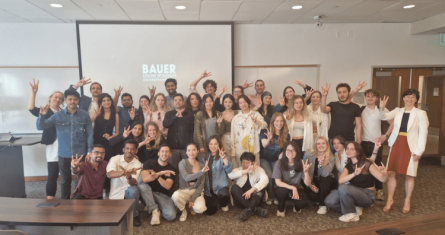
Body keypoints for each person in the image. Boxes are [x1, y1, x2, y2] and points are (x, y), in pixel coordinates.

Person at [379, 89, 429, 214]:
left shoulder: (421, 113)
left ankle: (407, 200)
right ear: (403, 98)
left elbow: (423, 134)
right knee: (390, 173)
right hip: (396, 144)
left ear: (416, 99)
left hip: (411, 146)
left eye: (412, 97)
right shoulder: (398, 110)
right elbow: (384, 117)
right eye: (407, 96)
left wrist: (419, 151)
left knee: (409, 174)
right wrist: (382, 108)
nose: (409, 99)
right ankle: (390, 199)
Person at [38, 89, 93, 199]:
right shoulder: (58, 115)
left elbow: (90, 134)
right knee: (65, 180)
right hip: (64, 153)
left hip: (80, 153)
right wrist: (42, 115)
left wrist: (89, 151)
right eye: (70, 99)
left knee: (80, 179)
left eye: (75, 99)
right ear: (66, 101)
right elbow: (41, 127)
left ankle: (79, 201)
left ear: (78, 101)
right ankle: (65, 203)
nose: (72, 101)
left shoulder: (84, 115)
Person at [328, 142, 388, 222]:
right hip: (353, 191)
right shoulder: (348, 166)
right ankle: (354, 207)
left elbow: (383, 179)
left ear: (358, 152)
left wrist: (384, 174)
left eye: (352, 149)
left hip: (367, 195)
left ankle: (351, 214)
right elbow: (341, 180)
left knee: (343, 188)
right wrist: (354, 174)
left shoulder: (366, 163)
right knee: (329, 201)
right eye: (347, 149)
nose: (348, 151)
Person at [28, 78, 64, 199]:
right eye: (55, 97)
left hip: (66, 146)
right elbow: (32, 109)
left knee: (66, 174)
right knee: (53, 174)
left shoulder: (64, 112)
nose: (58, 99)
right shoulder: (45, 110)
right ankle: (50, 198)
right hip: (53, 145)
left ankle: (67, 197)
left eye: (60, 98)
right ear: (50, 98)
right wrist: (34, 92)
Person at [360, 89, 394, 201]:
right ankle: (368, 188)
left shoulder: (381, 110)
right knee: (366, 166)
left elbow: (393, 123)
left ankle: (379, 189)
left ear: (376, 98)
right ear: (365, 97)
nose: (370, 98)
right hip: (364, 143)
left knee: (378, 166)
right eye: (368, 96)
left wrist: (386, 135)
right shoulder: (361, 109)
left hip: (377, 143)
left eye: (372, 96)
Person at [107, 139, 143, 227]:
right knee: (115, 220)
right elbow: (110, 174)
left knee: (134, 189)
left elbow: (132, 182)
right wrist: (123, 173)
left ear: (136, 151)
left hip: (128, 192)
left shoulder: (138, 164)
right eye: (127, 148)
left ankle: (134, 215)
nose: (129, 151)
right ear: (123, 150)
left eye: (132, 149)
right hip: (116, 193)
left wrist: (128, 176)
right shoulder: (115, 159)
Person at [139, 144, 177, 225]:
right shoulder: (149, 163)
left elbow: (167, 186)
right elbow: (145, 179)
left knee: (171, 216)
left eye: (167, 152)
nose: (164, 153)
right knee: (142, 186)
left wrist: (157, 176)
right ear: (158, 153)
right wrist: (160, 173)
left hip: (162, 195)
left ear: (170, 154)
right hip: (148, 193)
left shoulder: (171, 169)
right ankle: (154, 210)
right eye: (162, 151)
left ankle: (154, 206)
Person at [273, 141, 312, 217]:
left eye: (293, 150)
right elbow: (278, 182)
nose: (290, 152)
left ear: (297, 152)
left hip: (297, 188)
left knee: (303, 203)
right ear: (284, 151)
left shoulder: (301, 163)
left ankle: (296, 205)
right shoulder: (279, 163)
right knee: (282, 192)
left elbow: (307, 183)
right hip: (283, 188)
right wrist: (293, 188)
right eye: (288, 150)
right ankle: (281, 207)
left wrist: (306, 172)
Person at [320, 83, 362, 152]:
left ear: (349, 93)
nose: (342, 94)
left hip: (348, 139)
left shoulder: (355, 107)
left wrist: (358, 140)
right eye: (339, 92)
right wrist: (324, 96)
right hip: (333, 140)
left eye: (344, 92)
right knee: (332, 161)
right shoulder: (333, 105)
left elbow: (359, 125)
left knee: (347, 161)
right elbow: (323, 110)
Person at [172, 143, 208, 222]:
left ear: (198, 151)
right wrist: (201, 172)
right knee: (175, 196)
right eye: (189, 150)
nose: (191, 152)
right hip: (184, 191)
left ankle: (192, 206)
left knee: (200, 209)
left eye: (194, 150)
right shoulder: (182, 163)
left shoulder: (201, 165)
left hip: (196, 191)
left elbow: (201, 184)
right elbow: (186, 178)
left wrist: (193, 199)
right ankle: (184, 210)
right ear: (186, 152)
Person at [228, 152, 269, 222]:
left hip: (255, 199)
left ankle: (249, 209)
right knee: (234, 188)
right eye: (243, 163)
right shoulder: (239, 170)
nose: (245, 165)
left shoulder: (259, 170)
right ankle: (254, 209)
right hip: (241, 201)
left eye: (247, 163)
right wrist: (246, 171)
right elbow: (230, 175)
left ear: (253, 162)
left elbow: (265, 179)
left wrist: (252, 190)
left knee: (261, 188)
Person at [260, 113, 290, 206]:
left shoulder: (286, 135)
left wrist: (281, 159)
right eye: (277, 121)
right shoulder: (265, 131)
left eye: (281, 121)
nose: (279, 123)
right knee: (269, 175)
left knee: (276, 175)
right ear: (273, 122)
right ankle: (270, 196)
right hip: (264, 159)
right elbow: (264, 145)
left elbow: (284, 150)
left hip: (276, 160)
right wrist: (269, 139)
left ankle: (277, 196)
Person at [302, 136, 337, 215]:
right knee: (312, 196)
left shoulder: (331, 158)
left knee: (324, 179)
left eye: (323, 143)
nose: (320, 145)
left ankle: (323, 205)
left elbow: (325, 174)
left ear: (327, 145)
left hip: (327, 180)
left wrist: (321, 164)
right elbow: (303, 171)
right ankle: (326, 195)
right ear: (315, 145)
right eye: (318, 144)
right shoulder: (308, 153)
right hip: (313, 181)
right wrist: (310, 185)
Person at [231, 95, 267, 167]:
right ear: (238, 105)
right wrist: (233, 151)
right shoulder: (236, 118)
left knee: (254, 170)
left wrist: (256, 121)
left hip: (253, 148)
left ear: (248, 103)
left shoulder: (256, 114)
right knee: (241, 170)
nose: (243, 104)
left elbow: (265, 125)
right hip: (240, 149)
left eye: (244, 102)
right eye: (240, 103)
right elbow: (233, 135)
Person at [201, 136, 233, 215]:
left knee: (224, 195)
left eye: (215, 144)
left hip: (220, 186)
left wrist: (223, 157)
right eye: (211, 144)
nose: (213, 146)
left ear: (219, 145)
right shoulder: (205, 157)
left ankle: (223, 204)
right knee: (209, 212)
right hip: (208, 189)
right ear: (208, 145)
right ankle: (214, 199)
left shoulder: (222, 156)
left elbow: (229, 169)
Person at [163, 93, 195, 169]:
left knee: (187, 169)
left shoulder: (189, 115)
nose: (177, 102)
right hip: (173, 148)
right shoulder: (169, 114)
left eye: (180, 100)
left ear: (183, 102)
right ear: (173, 103)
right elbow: (165, 124)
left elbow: (192, 129)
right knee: (173, 169)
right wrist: (175, 116)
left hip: (186, 148)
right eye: (175, 100)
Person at [91, 93, 119, 163]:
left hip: (108, 142)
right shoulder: (97, 112)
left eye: (108, 100)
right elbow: (88, 123)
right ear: (101, 102)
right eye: (104, 101)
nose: (106, 102)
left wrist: (111, 137)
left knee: (107, 161)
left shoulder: (115, 115)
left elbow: (117, 133)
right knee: (95, 161)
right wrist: (96, 115)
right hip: (95, 141)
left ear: (111, 101)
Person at [217, 94, 238, 165]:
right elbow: (219, 130)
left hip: (236, 138)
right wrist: (219, 124)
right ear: (223, 103)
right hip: (224, 138)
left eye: (230, 102)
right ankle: (229, 175)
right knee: (227, 157)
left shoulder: (237, 112)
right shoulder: (219, 114)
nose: (227, 104)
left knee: (236, 156)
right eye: (225, 102)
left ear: (233, 103)